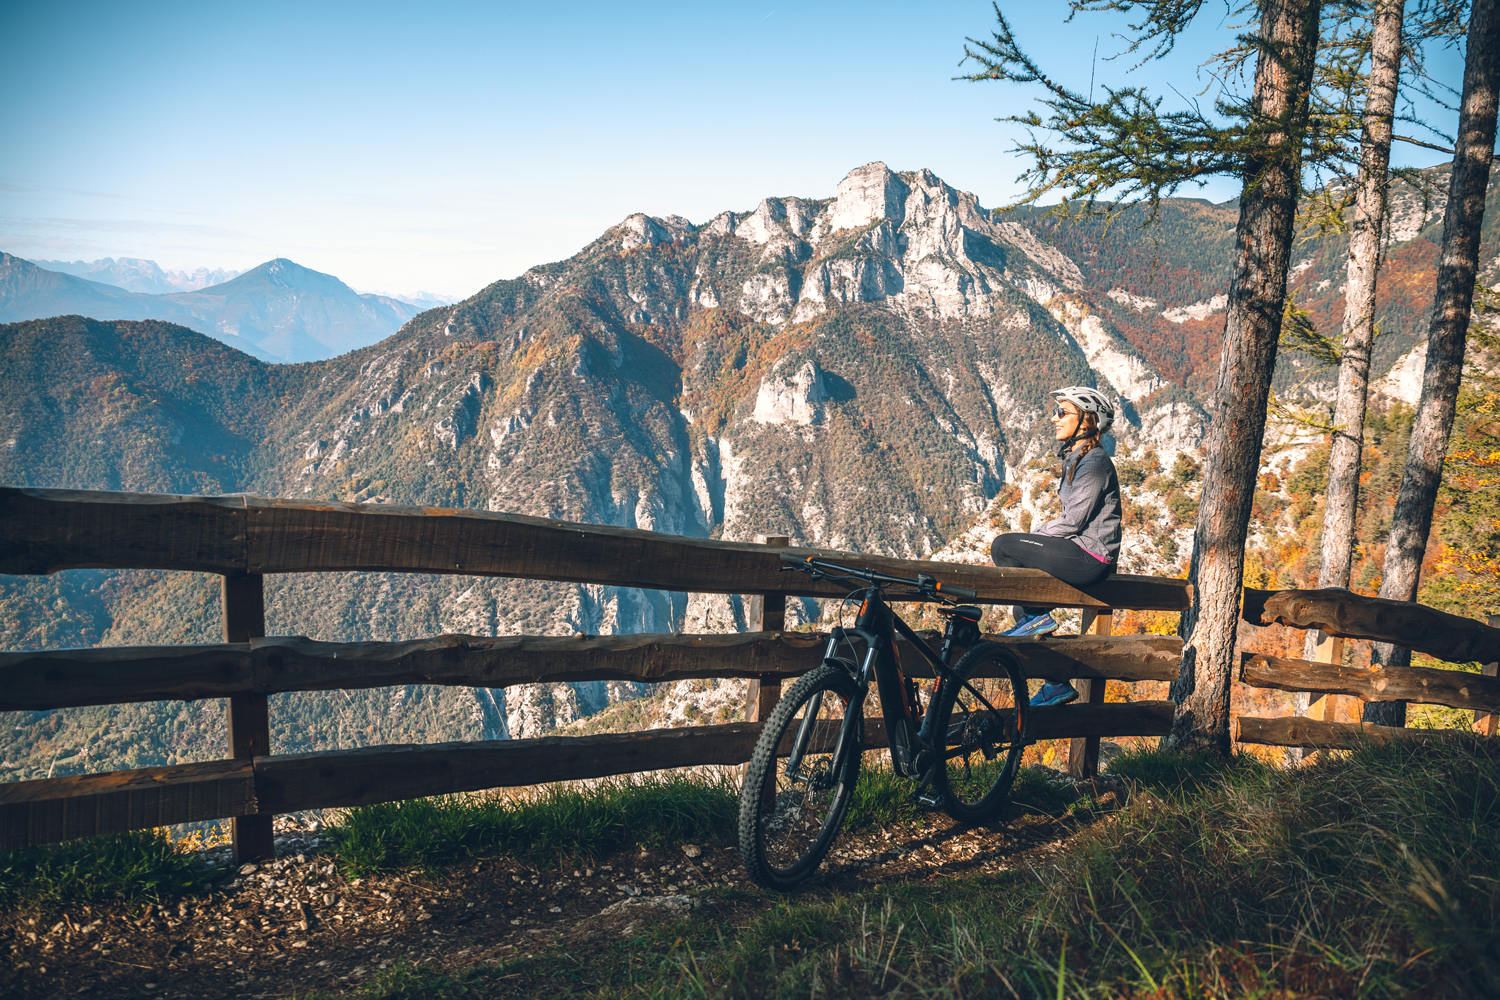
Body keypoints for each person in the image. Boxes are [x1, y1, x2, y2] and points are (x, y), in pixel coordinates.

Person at [990, 386, 1122, 707]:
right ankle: (1057, 684)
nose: (1054, 418)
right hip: (1081, 553)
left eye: (1062, 413)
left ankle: (1039, 618)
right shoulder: (1078, 459)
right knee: (1022, 607)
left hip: (1091, 558)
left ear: (1087, 421)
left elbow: (1073, 522)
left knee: (1004, 546)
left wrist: (1035, 534)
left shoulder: (1094, 462)